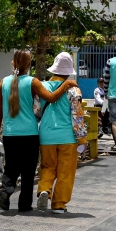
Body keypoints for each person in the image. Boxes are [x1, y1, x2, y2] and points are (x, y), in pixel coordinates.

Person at [0, 50, 77, 212]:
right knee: (28, 171)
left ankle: (6, 191)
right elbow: (51, 98)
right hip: (30, 134)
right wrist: (66, 85)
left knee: (11, 167)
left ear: (13, 63)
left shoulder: (4, 82)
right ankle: (24, 205)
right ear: (29, 64)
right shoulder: (32, 82)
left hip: (9, 134)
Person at [36, 52, 86, 214]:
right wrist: (82, 139)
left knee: (48, 167)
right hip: (68, 138)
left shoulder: (41, 87)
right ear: (69, 71)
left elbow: (36, 112)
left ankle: (44, 189)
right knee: (65, 172)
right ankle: (58, 205)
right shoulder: (74, 90)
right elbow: (77, 117)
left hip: (46, 137)